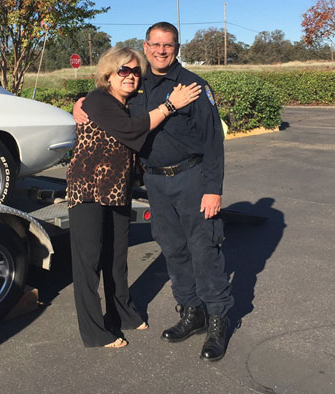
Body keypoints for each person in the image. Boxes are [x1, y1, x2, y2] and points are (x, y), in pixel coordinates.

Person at [73, 22, 234, 361]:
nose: (161, 51)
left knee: (203, 248)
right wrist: (80, 101)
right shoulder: (137, 84)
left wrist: (212, 190)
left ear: (177, 48)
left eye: (168, 45)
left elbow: (213, 142)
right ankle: (192, 312)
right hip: (155, 183)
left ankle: (218, 318)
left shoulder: (193, 85)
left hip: (191, 178)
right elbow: (106, 99)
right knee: (173, 249)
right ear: (145, 47)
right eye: (155, 45)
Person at [67, 46, 201, 349]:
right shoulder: (98, 100)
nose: (130, 76)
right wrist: (169, 105)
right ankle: (94, 331)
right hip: (88, 190)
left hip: (117, 189)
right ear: (108, 75)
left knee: (117, 258)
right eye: (123, 70)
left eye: (135, 71)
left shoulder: (130, 102)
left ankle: (123, 313)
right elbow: (130, 130)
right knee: (88, 263)